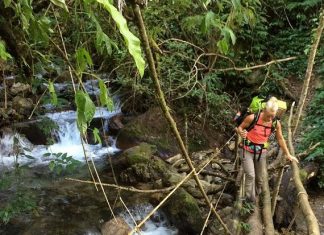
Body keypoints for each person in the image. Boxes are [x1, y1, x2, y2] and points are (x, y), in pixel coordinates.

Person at [237, 96, 299, 203]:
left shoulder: (275, 123)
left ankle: (256, 193)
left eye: (273, 116)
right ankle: (249, 200)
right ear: (264, 110)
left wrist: (288, 154)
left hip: (261, 152)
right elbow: (240, 127)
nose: (270, 118)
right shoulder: (252, 118)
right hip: (246, 150)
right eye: (269, 115)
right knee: (251, 175)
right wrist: (241, 132)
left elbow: (280, 138)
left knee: (260, 178)